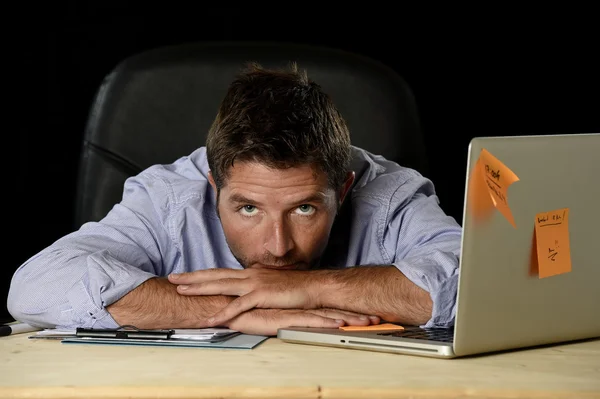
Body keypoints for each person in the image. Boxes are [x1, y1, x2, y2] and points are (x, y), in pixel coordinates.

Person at [7, 63, 462, 336]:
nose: (278, 246)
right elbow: (37, 286)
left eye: (305, 208)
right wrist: (235, 311)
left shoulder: (391, 192)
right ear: (212, 186)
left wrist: (310, 287)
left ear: (342, 190)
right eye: (248, 208)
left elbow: (482, 284)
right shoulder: (168, 196)